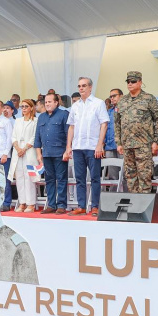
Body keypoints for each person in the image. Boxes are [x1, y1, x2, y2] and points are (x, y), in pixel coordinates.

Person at [65, 77, 109, 216]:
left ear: (90, 87)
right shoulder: (75, 106)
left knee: (95, 177)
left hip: (92, 146)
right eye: (79, 86)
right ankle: (81, 206)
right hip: (78, 146)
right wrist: (68, 146)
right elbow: (71, 127)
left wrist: (99, 145)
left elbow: (104, 124)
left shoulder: (98, 103)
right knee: (80, 178)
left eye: (84, 86)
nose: (81, 88)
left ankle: (95, 206)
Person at [114, 71, 158, 194]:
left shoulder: (149, 99)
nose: (130, 84)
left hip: (144, 144)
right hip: (127, 145)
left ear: (140, 82)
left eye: (133, 81)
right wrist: (119, 143)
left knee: (144, 175)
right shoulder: (122, 101)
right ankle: (134, 204)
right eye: (128, 82)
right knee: (130, 176)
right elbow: (117, 123)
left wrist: (156, 141)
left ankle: (144, 206)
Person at [35, 93, 70, 214]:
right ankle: (51, 204)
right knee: (49, 180)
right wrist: (39, 154)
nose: (47, 104)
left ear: (56, 103)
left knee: (61, 179)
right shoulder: (41, 117)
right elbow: (37, 138)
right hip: (46, 153)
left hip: (60, 153)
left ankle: (61, 205)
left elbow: (68, 134)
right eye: (46, 102)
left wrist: (67, 150)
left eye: (50, 102)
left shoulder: (64, 115)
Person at [9, 99, 39, 212]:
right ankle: (22, 202)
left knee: (29, 177)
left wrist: (24, 148)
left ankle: (31, 203)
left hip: (29, 151)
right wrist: (17, 148)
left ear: (31, 108)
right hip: (18, 152)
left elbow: (34, 137)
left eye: (26, 106)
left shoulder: (35, 121)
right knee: (20, 177)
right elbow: (14, 136)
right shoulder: (18, 121)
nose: (24, 108)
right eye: (22, 107)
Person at [104, 88, 123, 180]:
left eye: (114, 96)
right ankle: (113, 194)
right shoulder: (108, 112)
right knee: (112, 177)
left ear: (121, 96)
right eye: (110, 96)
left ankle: (127, 195)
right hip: (110, 146)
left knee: (126, 174)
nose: (112, 98)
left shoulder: (127, 111)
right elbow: (104, 129)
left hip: (123, 146)